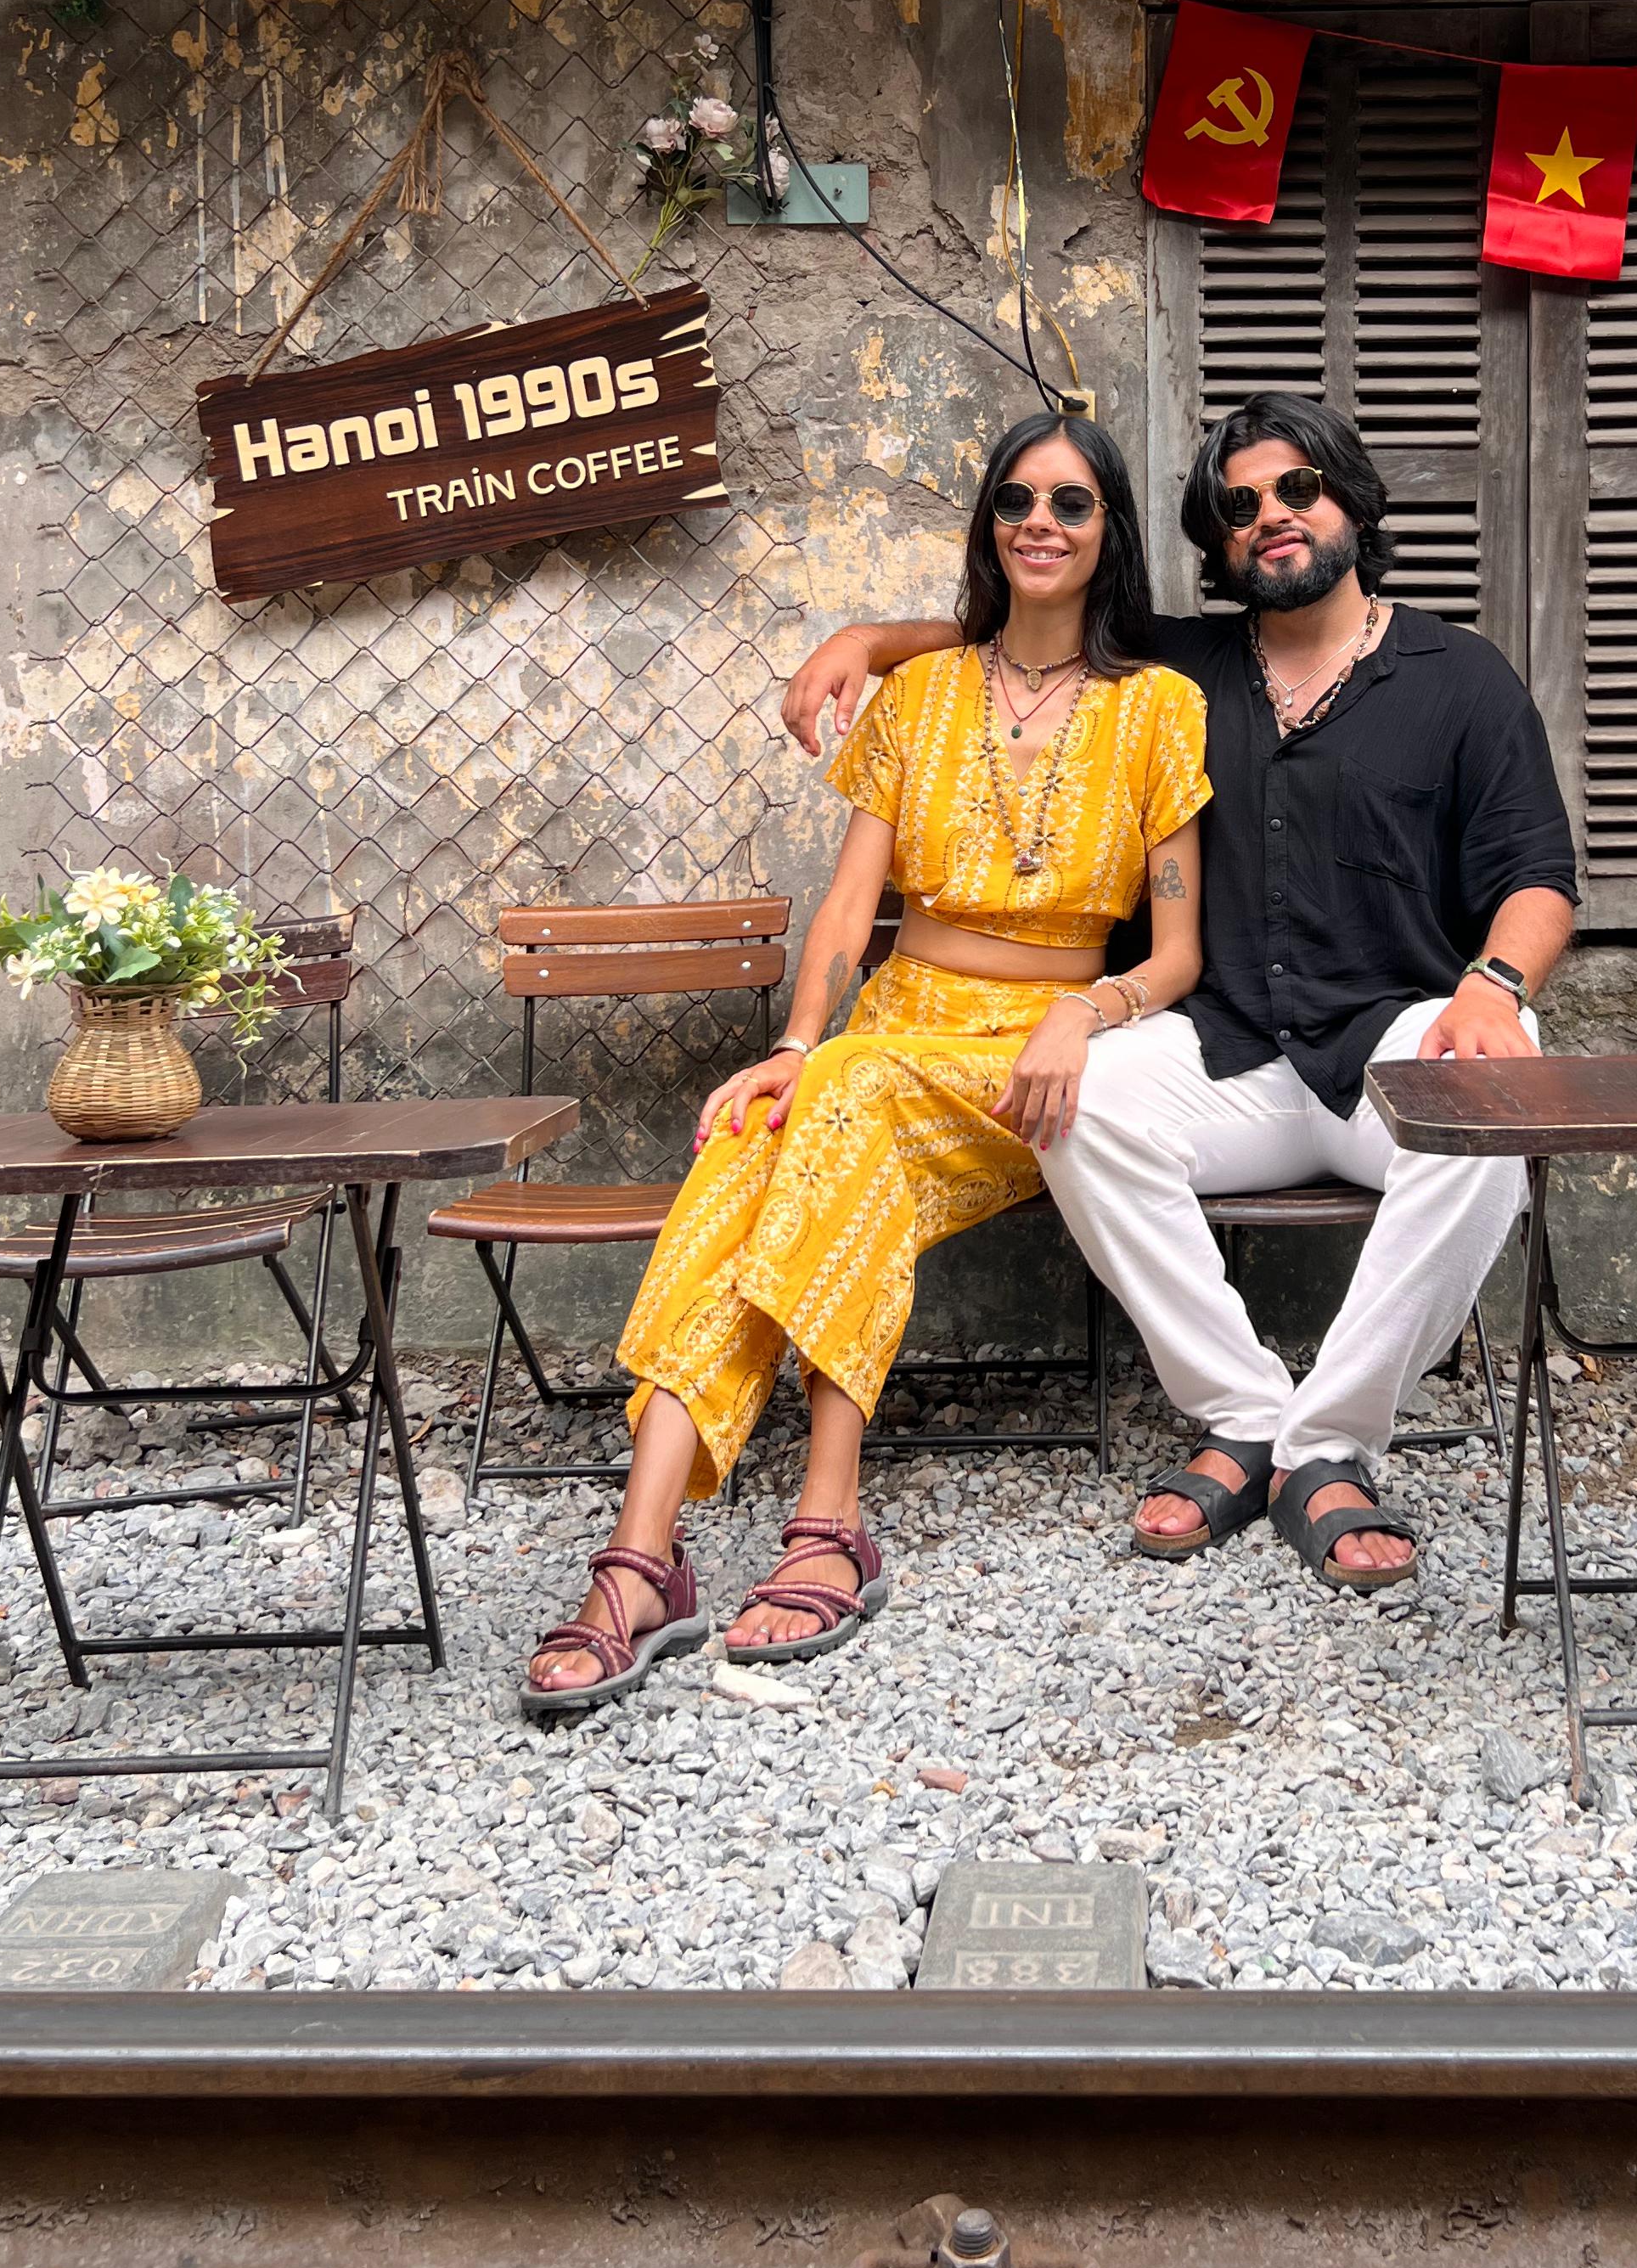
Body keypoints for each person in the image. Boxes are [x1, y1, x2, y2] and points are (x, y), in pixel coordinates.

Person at [783, 391, 1576, 1596]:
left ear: (1353, 502)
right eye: (1240, 506)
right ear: (1219, 541)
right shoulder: (1182, 666)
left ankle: (1328, 1441)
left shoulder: (1460, 677)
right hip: (1230, 1052)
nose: (1272, 518)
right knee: (1077, 1100)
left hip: (1391, 1043)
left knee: (1496, 1103)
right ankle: (1245, 1412)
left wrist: (1496, 985)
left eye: (1298, 489)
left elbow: (1539, 877)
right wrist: (865, 640)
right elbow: (1029, 619)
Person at [521, 412, 1209, 1717]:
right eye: (1016, 501)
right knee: (756, 1136)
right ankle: (643, 1552)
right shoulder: (921, 695)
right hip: (892, 1025)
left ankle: (826, 1513)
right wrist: (796, 1042)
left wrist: (1089, 1012)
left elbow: (1177, 953)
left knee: (843, 1099)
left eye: (1071, 502)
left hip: (1032, 1056)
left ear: (1110, 528)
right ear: (989, 526)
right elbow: (848, 910)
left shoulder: (1160, 708)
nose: (1041, 523)